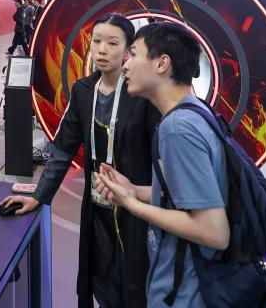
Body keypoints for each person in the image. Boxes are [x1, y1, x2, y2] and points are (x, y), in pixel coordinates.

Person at [0, 14, 160, 308]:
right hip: (97, 208)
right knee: (100, 278)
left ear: (128, 50)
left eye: (113, 43)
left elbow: (160, 157)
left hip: (136, 210)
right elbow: (62, 150)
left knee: (138, 286)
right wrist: (39, 196)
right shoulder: (84, 90)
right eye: (96, 41)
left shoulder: (141, 94)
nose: (102, 50)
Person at [94, 22, 229, 308]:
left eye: (133, 54)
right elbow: (186, 197)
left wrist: (131, 205)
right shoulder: (195, 112)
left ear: (162, 64)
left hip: (186, 290)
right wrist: (135, 190)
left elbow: (214, 232)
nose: (125, 66)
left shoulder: (177, 128)